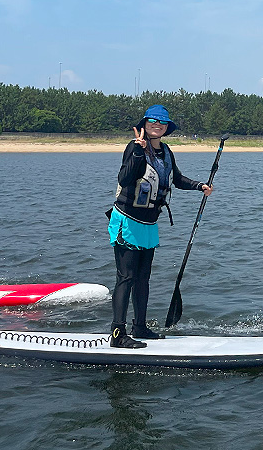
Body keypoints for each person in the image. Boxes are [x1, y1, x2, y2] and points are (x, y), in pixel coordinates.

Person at [108, 104, 213, 348]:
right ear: (144, 124)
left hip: (148, 223)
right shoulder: (134, 147)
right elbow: (124, 179)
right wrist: (137, 151)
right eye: (153, 121)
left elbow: (176, 179)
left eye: (162, 123)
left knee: (143, 278)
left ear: (166, 128)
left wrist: (200, 186)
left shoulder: (166, 151)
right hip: (127, 220)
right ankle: (117, 334)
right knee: (126, 277)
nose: (158, 125)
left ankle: (140, 327)